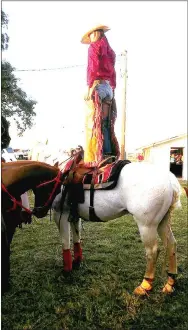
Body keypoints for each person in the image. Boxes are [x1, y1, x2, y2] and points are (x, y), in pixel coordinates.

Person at [81, 24, 120, 163]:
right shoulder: (110, 51)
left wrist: (89, 87)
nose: (90, 38)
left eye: (90, 35)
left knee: (92, 123)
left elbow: (92, 68)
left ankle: (93, 157)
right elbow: (113, 72)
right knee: (106, 123)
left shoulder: (93, 47)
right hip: (108, 88)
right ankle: (108, 153)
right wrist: (112, 88)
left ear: (94, 34)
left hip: (98, 85)